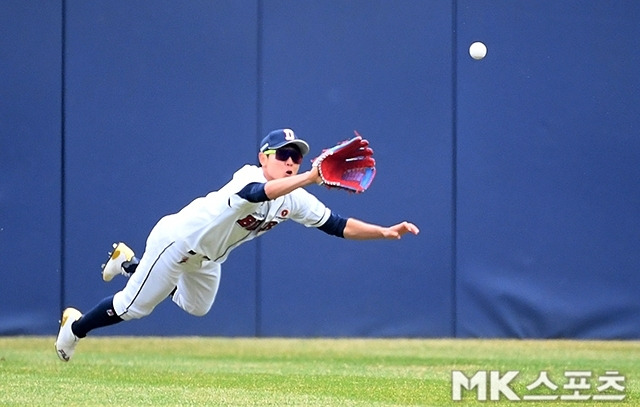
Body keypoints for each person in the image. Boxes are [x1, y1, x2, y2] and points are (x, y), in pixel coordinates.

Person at [55, 129, 420, 362]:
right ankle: (73, 328)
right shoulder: (248, 176)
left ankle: (132, 264)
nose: (291, 161)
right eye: (283, 155)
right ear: (264, 157)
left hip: (207, 260)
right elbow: (257, 193)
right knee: (131, 308)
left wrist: (384, 231)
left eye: (297, 157)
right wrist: (310, 177)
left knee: (196, 308)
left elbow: (337, 225)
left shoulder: (296, 198)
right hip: (176, 242)